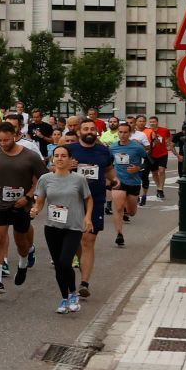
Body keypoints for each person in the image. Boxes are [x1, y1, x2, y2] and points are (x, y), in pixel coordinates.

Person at [0, 121, 46, 293]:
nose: (3, 144)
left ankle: (23, 264)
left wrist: (29, 196)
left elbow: (43, 179)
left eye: (6, 140)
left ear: (15, 136)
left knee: (21, 241)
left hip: (21, 205)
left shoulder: (30, 156)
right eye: (0, 140)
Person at [31, 147, 92, 314]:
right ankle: (64, 298)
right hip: (52, 227)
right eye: (56, 156)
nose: (59, 159)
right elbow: (40, 200)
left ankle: (73, 294)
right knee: (59, 265)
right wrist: (36, 209)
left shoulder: (79, 179)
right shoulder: (45, 179)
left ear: (70, 160)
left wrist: (87, 218)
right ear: (52, 159)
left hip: (73, 226)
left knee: (66, 262)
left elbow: (88, 198)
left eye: (63, 156)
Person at [64, 123, 117, 300]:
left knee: (88, 239)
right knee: (76, 240)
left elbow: (109, 170)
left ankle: (84, 283)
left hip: (95, 200)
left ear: (96, 132)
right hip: (71, 200)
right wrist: (67, 166)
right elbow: (53, 169)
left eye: (92, 130)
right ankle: (80, 263)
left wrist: (115, 179)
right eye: (85, 129)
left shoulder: (104, 151)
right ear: (79, 132)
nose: (89, 132)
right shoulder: (69, 149)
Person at [106, 121, 148, 249]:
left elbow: (149, 161)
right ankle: (119, 234)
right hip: (118, 181)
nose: (122, 134)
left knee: (131, 212)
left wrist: (138, 168)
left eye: (125, 132)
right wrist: (109, 177)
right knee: (118, 208)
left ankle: (129, 205)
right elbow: (108, 164)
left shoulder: (137, 147)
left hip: (133, 182)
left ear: (130, 133)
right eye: (120, 132)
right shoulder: (113, 147)